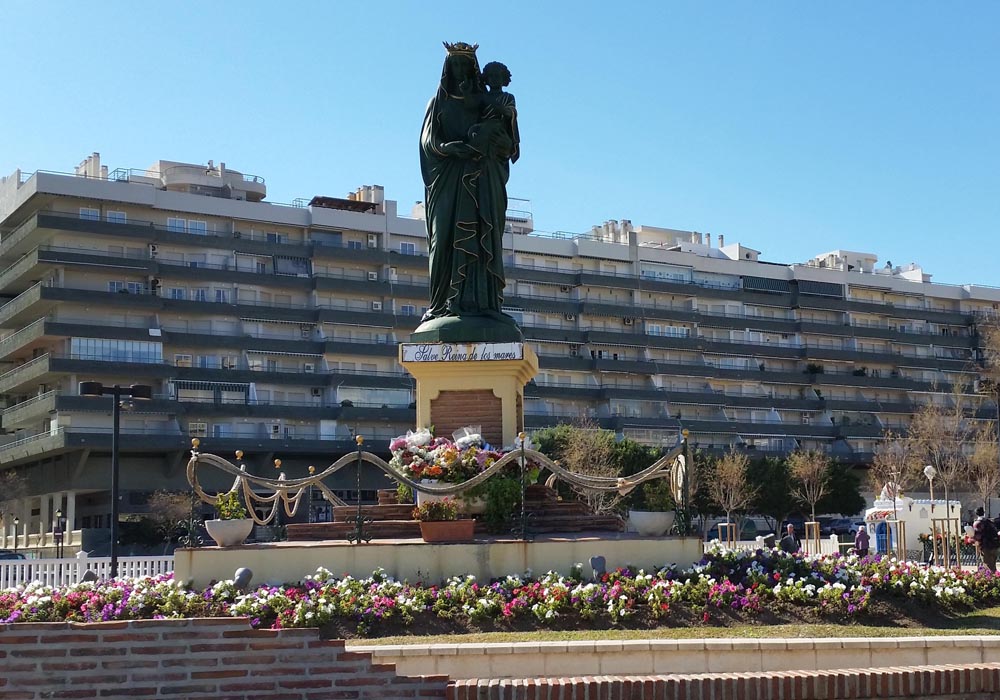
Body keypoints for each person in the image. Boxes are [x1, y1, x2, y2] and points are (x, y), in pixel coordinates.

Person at [417, 43, 520, 338]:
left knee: (483, 236)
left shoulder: (485, 102)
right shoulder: (436, 104)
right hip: (448, 182)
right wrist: (451, 148)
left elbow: (508, 145)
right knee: (444, 239)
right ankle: (442, 304)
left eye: (466, 65)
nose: (460, 71)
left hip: (482, 183)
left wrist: (489, 143)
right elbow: (428, 143)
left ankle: (484, 302)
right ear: (447, 70)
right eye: (455, 66)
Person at [972, 506, 1000, 572]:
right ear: (983, 512)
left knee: (988, 566)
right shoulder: (990, 521)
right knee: (993, 565)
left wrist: (975, 541)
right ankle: (995, 579)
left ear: (976, 514)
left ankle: (993, 581)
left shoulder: (977, 523)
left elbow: (978, 536)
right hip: (995, 545)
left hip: (986, 546)